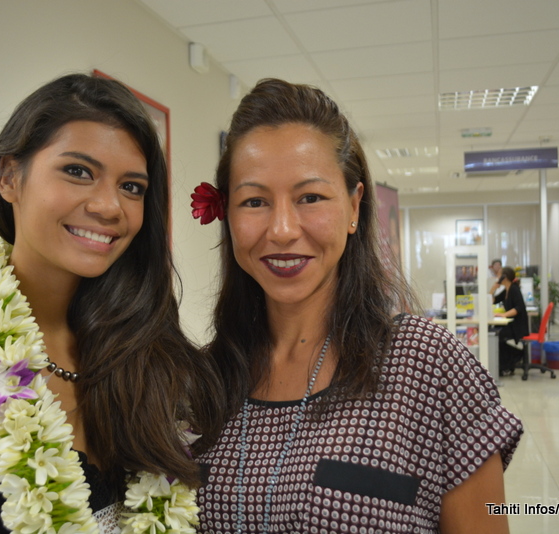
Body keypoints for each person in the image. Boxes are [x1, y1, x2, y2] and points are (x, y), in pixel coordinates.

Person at [0, 73, 222, 534]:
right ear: (9, 177)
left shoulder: (151, 360)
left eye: (132, 187)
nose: (109, 206)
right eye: (78, 171)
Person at [191, 79, 523, 533]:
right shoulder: (202, 382)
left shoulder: (427, 366)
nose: (283, 229)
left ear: (353, 206)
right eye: (255, 201)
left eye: (310, 197)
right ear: (228, 214)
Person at [493, 266, 530, 376]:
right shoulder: (506, 290)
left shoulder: (514, 289)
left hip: (518, 326)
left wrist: (504, 315)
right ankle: (507, 363)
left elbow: (519, 308)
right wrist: (493, 289)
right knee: (495, 333)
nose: (497, 276)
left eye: (499, 275)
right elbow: (493, 301)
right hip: (512, 324)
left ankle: (509, 362)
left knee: (497, 335)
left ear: (504, 277)